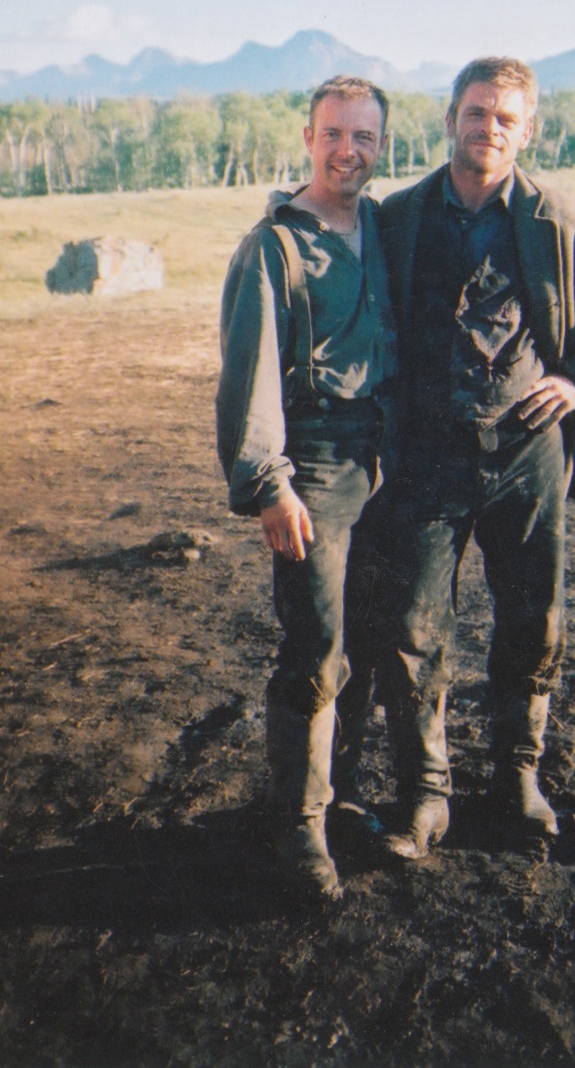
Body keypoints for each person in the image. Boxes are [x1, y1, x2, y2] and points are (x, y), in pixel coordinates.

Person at [375, 57, 575, 859]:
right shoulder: (399, 218)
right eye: (475, 112)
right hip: (426, 455)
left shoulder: (559, 219)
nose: (487, 128)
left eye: (505, 118)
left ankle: (517, 779)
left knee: (533, 617)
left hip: (527, 454)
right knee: (414, 625)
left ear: (527, 131)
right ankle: (425, 794)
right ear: (450, 118)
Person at [215, 76, 397, 901]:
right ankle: (295, 825)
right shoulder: (272, 246)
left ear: (381, 145)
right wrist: (268, 484)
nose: (348, 150)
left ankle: (338, 794)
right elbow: (248, 377)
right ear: (308, 136)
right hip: (314, 461)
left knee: (366, 637)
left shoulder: (384, 230)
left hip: (387, 459)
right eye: (334, 134)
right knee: (314, 645)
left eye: (363, 136)